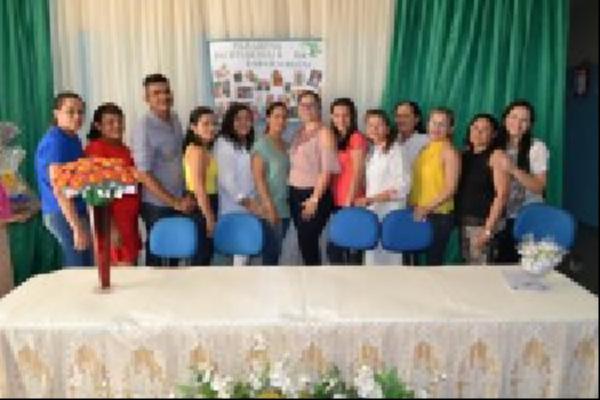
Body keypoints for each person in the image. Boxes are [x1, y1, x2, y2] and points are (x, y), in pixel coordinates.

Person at [131, 73, 195, 266]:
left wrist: (186, 195)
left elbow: (180, 159)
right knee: (157, 260)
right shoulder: (143, 127)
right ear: (146, 98)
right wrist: (174, 202)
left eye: (166, 91)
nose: (163, 97)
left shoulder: (175, 118)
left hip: (179, 200)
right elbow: (143, 173)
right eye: (156, 93)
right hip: (157, 206)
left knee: (176, 255)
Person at [35, 92, 92, 267]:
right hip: (62, 212)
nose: (77, 117)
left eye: (80, 112)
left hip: (76, 209)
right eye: (70, 111)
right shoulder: (56, 141)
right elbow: (59, 188)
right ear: (56, 113)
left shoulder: (73, 138)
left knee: (86, 264)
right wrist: (76, 227)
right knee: (77, 267)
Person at [84, 103, 141, 265]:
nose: (117, 126)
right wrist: (111, 228)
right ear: (98, 126)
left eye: (120, 121)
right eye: (110, 122)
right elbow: (97, 192)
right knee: (122, 273)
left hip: (129, 221)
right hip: (113, 221)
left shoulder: (124, 149)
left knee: (133, 269)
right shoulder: (96, 150)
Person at [288, 90, 339, 265]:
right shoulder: (299, 132)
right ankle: (308, 276)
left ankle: (314, 276)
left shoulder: (325, 133)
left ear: (319, 108)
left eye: (312, 105)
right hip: (295, 193)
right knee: (304, 241)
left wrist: (315, 199)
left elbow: (327, 169)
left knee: (307, 240)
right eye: (303, 105)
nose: (307, 108)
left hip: (314, 194)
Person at [495, 100, 549, 263]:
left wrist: (513, 169)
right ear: (505, 119)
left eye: (524, 120)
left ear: (530, 124)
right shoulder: (496, 144)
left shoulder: (536, 147)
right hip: (500, 216)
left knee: (523, 266)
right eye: (514, 117)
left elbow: (539, 187)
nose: (517, 123)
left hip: (527, 215)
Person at [355, 110, 411, 265]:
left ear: (387, 128)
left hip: (390, 213)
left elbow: (402, 187)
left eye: (379, 125)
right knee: (372, 259)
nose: (374, 129)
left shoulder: (396, 150)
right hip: (373, 212)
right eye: (370, 125)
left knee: (390, 260)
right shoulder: (373, 151)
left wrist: (372, 199)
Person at [409, 107, 461, 265]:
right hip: (418, 212)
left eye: (442, 124)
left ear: (450, 129)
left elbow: (450, 189)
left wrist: (426, 208)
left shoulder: (449, 152)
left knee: (433, 264)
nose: (436, 128)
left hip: (438, 215)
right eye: (433, 123)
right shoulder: (425, 149)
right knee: (413, 262)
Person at [455, 114, 509, 264]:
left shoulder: (496, 156)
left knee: (483, 272)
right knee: (470, 267)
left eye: (484, 129)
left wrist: (488, 230)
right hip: (466, 223)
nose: (478, 132)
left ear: (494, 134)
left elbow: (502, 195)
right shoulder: (464, 155)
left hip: (484, 223)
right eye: (475, 128)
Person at [327, 98, 368, 264]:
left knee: (350, 250)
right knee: (338, 249)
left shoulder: (356, 138)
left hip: (351, 201)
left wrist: (349, 201)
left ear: (352, 117)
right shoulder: (334, 138)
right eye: (337, 115)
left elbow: (358, 172)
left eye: (345, 115)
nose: (341, 120)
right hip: (336, 200)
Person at [251, 102, 290, 265]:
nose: (281, 121)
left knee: (276, 254)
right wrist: (269, 207)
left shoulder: (287, 145)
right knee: (270, 257)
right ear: (268, 119)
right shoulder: (261, 145)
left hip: (285, 208)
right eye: (276, 116)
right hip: (270, 208)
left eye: (284, 117)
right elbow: (258, 179)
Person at [183, 106, 218, 265]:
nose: (211, 128)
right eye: (205, 124)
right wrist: (209, 217)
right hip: (201, 206)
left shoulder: (203, 149)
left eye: (214, 124)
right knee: (201, 257)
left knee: (204, 256)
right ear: (193, 127)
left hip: (205, 203)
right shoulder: (197, 151)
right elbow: (199, 187)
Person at [214, 103, 261, 218]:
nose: (243, 123)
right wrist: (246, 202)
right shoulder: (224, 143)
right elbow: (226, 180)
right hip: (233, 208)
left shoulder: (250, 142)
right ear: (230, 121)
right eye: (238, 119)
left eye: (247, 119)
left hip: (251, 205)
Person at [394, 100, 429, 168]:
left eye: (406, 116)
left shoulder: (426, 142)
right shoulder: (390, 141)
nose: (401, 120)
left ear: (417, 119)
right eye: (398, 116)